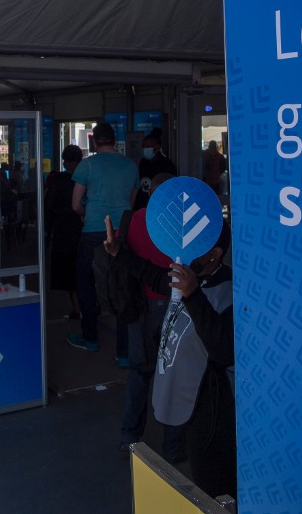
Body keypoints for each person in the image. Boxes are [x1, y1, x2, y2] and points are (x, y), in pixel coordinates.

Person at [105, 218, 235, 498]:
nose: (187, 251)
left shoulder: (228, 291)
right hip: (185, 395)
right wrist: (118, 253)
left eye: (197, 245)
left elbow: (223, 349)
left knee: (212, 487)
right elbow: (152, 275)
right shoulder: (190, 276)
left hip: (210, 409)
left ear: (214, 254)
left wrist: (193, 294)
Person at [109, 173, 185, 461]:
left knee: (139, 373)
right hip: (176, 307)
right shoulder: (181, 222)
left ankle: (129, 437)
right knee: (174, 376)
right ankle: (174, 448)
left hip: (140, 307)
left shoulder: (134, 220)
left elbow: (116, 250)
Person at [68, 122, 138, 359]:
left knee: (86, 284)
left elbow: (75, 205)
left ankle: (90, 338)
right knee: (123, 286)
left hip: (94, 231)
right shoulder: (130, 166)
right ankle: (124, 352)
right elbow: (131, 203)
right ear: (115, 140)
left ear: (94, 141)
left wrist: (86, 211)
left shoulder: (87, 165)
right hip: (122, 233)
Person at [45, 145, 84, 318]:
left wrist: (47, 231)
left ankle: (77, 308)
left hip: (64, 231)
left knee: (68, 272)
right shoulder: (86, 178)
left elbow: (48, 205)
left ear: (67, 161)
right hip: (84, 229)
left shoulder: (58, 180)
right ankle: (89, 304)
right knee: (84, 269)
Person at [134, 128, 177, 210]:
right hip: (143, 205)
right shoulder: (143, 163)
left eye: (148, 147)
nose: (145, 149)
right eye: (143, 147)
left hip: (160, 205)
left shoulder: (166, 165)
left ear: (157, 148)